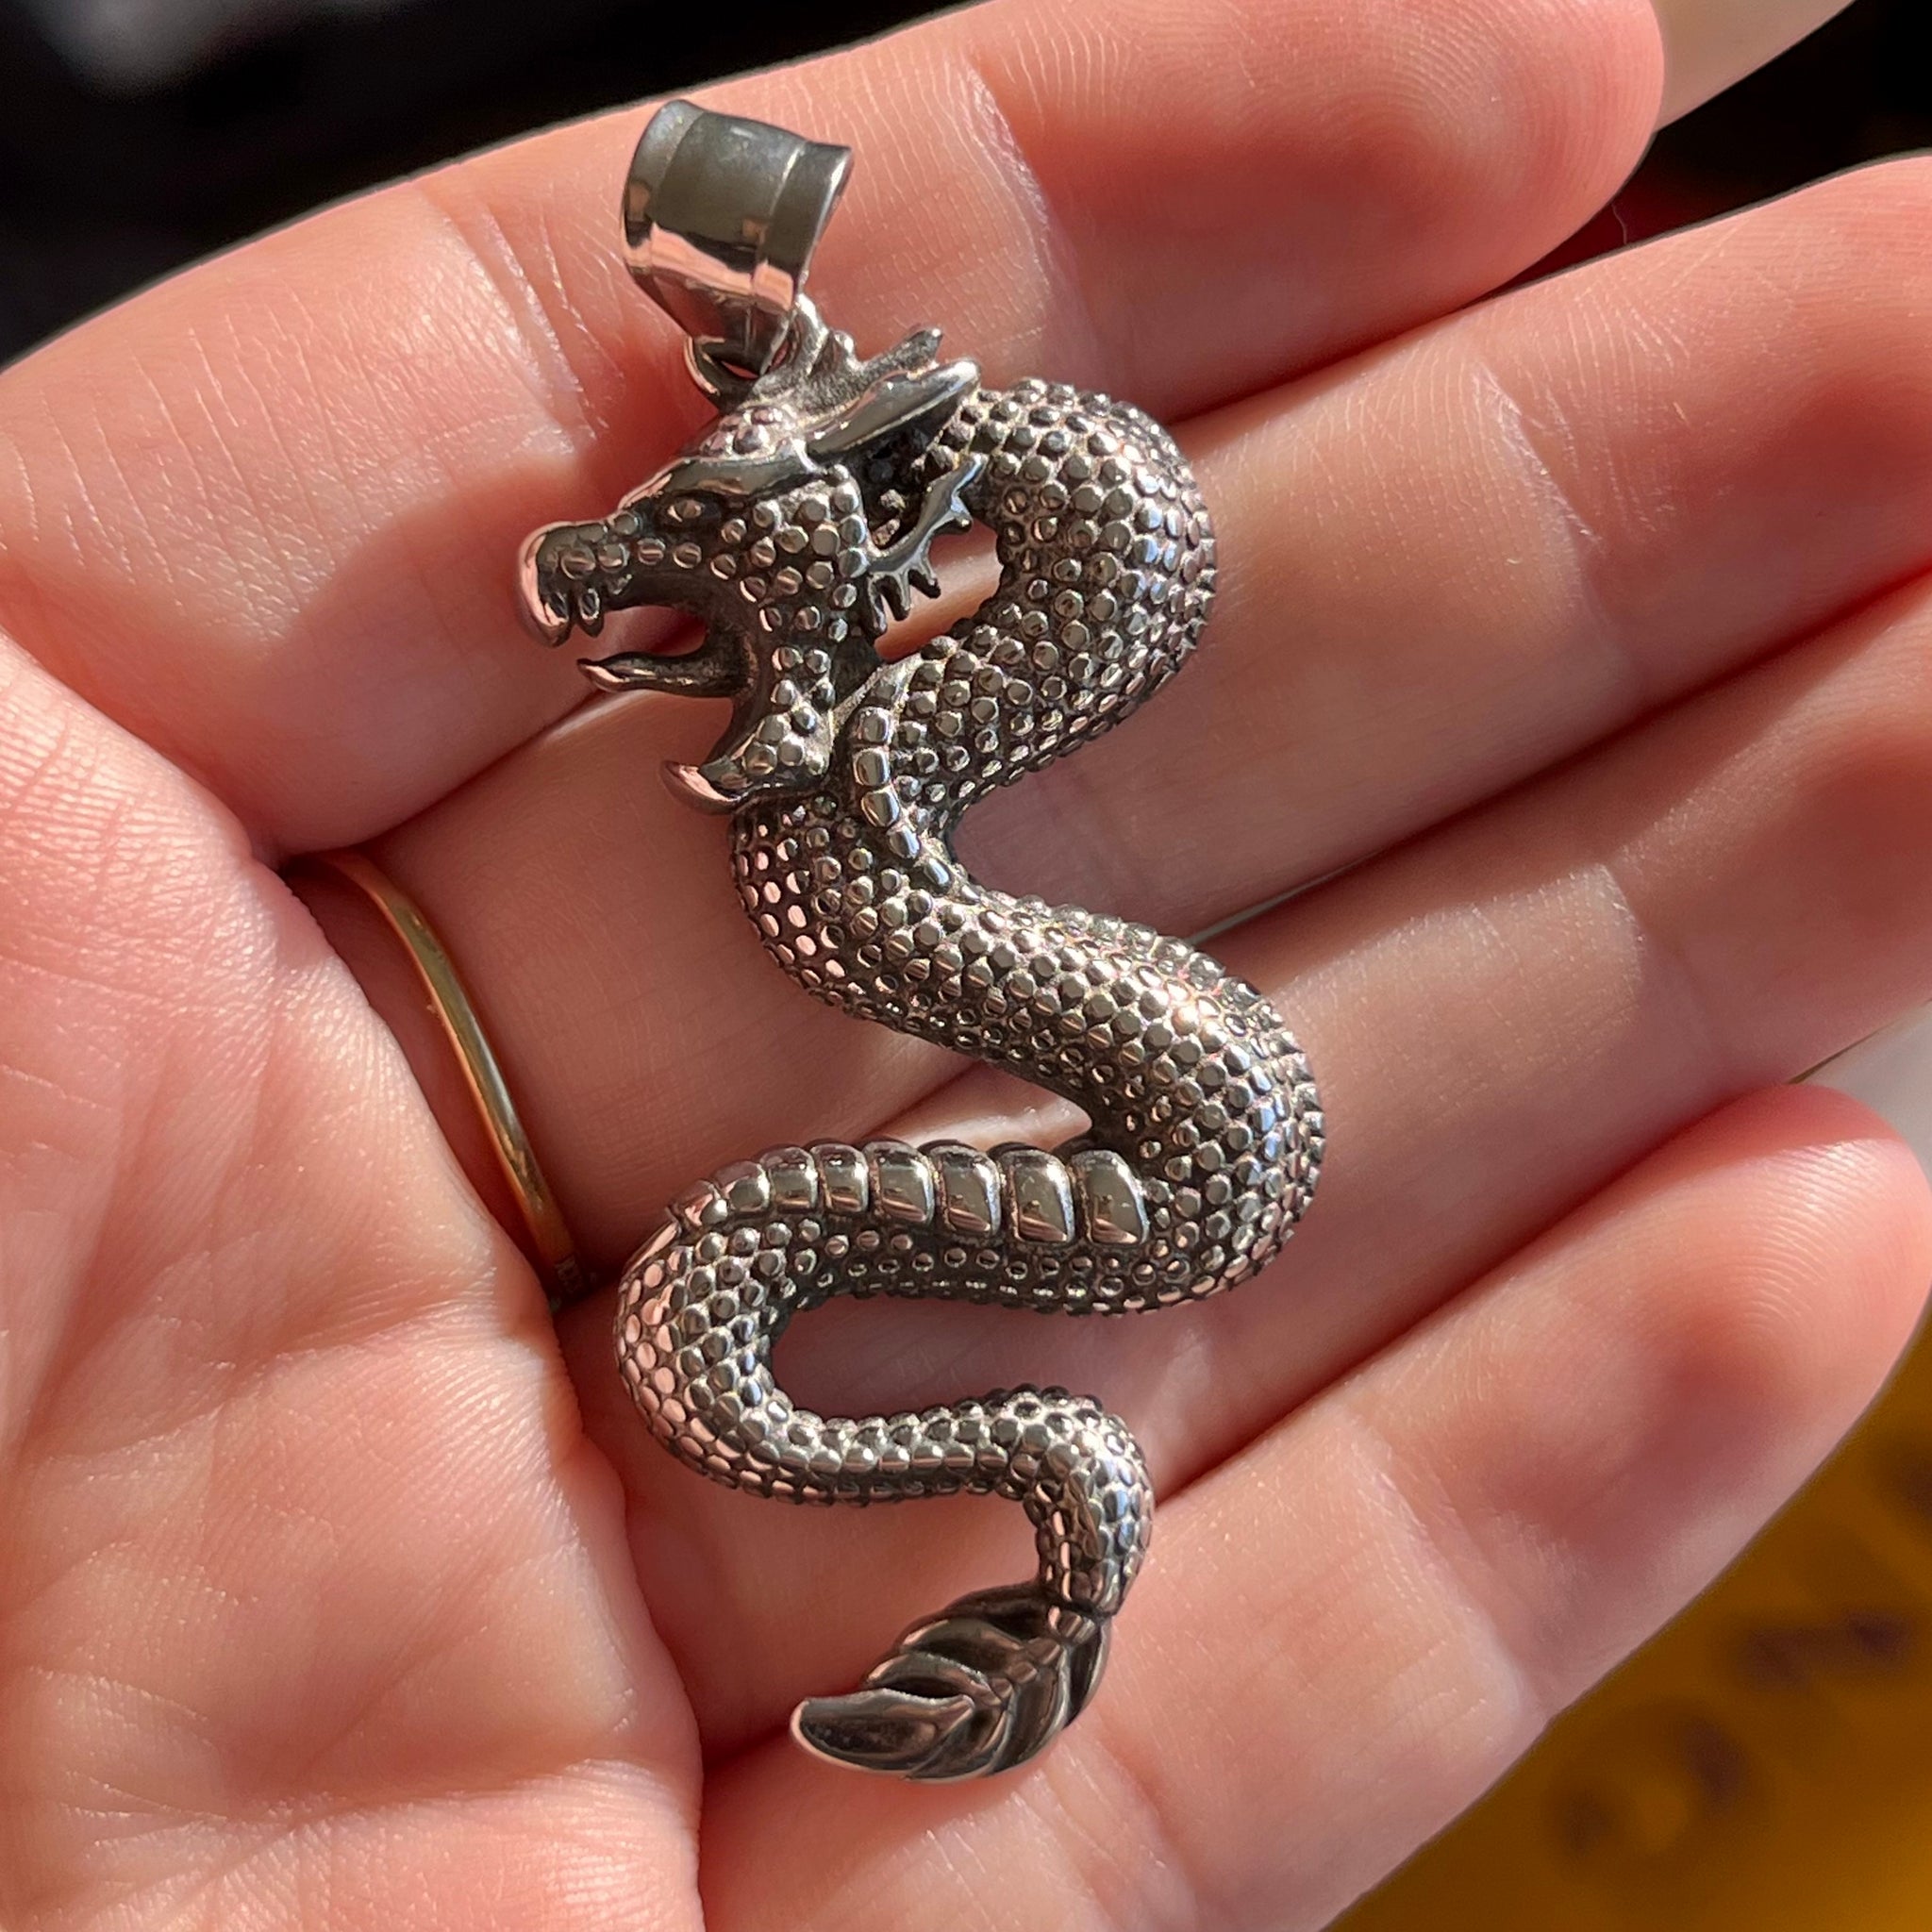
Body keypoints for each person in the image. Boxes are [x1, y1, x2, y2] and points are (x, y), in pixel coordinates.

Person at [2, 0, 1928, 1924]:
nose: (620, 561)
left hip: (1187, 1157)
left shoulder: (979, 600)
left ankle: (1046, 1495)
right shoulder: (860, 674)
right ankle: (1044, 1491)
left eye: (707, 525)